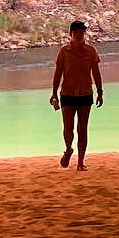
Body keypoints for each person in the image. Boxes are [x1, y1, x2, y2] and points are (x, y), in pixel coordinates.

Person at [50, 21, 104, 170]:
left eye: (82, 32)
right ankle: (68, 149)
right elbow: (58, 73)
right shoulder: (63, 51)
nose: (80, 35)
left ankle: (81, 162)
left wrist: (100, 92)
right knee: (68, 128)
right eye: (76, 32)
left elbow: (96, 73)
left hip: (86, 93)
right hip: (67, 94)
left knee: (83, 129)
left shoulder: (91, 51)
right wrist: (53, 93)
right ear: (71, 34)